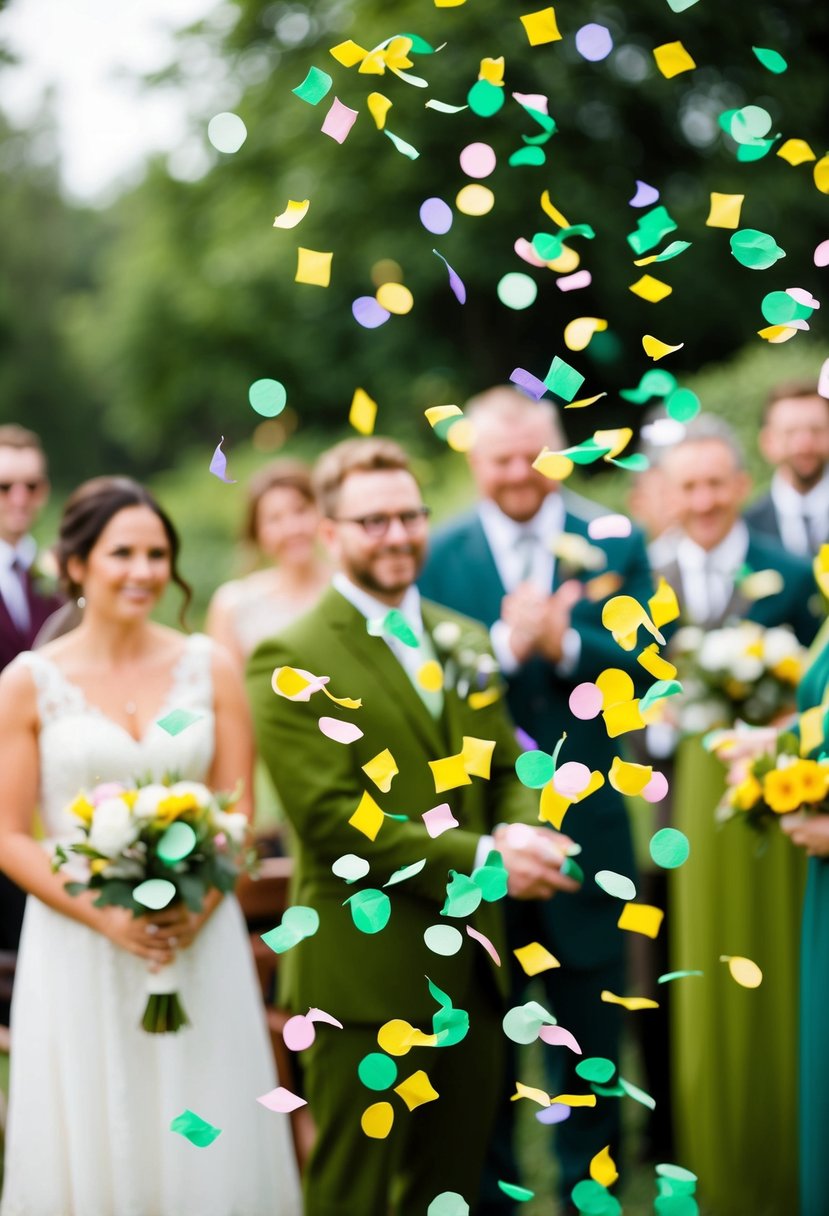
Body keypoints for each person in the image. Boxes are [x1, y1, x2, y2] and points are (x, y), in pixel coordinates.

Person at [246, 437, 579, 1216]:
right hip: (363, 971)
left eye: (409, 515)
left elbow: (506, 769)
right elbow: (335, 821)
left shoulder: (462, 638)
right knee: (353, 1190)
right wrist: (490, 858)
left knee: (453, 1188)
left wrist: (526, 830)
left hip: (471, 966)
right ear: (329, 532)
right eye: (372, 521)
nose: (397, 535)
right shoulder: (288, 656)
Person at [0, 476, 300, 1216]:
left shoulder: (210, 666)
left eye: (158, 553)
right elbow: (8, 834)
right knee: (99, 1119)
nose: (143, 571)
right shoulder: (30, 684)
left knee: (205, 1109)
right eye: (122, 553)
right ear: (76, 565)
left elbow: (237, 814)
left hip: (200, 937)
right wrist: (106, 917)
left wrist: (195, 910)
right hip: (80, 941)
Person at [418, 387, 653, 1207]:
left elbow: (651, 678)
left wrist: (571, 646)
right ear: (474, 463)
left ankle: (592, 1192)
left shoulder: (614, 539)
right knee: (481, 1047)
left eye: (532, 458)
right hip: (479, 835)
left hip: (589, 829)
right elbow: (420, 685)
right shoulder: (434, 553)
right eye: (499, 461)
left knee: (592, 1043)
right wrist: (503, 649)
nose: (519, 475)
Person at [652, 417, 821, 1216]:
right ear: (669, 493)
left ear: (739, 484)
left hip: (773, 791)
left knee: (779, 965)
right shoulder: (643, 573)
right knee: (696, 966)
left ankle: (789, 1151)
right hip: (682, 790)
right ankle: (710, 1160)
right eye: (689, 485)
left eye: (717, 482)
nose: (705, 499)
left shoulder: (790, 572)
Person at [0, 424, 63, 1023]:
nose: (19, 498)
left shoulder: (58, 576)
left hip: (50, 792)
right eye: (4, 486)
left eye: (31, 484)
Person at [206, 459, 329, 666]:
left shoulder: (352, 587)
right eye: (274, 519)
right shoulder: (233, 604)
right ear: (256, 532)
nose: (292, 528)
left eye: (300, 510)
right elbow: (226, 690)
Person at [745, 381, 829, 555]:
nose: (805, 445)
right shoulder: (746, 528)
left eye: (816, 430)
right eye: (790, 432)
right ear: (768, 442)